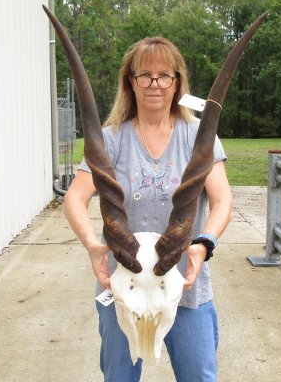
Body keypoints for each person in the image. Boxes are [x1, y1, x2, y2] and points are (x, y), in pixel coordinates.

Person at [64, 36, 233, 382]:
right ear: (131, 81)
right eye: (145, 75)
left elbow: (222, 201)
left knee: (199, 377)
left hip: (185, 287)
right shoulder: (111, 139)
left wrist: (204, 243)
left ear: (176, 83)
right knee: (119, 377)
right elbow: (75, 199)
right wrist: (93, 247)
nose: (154, 84)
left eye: (164, 76)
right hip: (123, 288)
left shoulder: (197, 136)